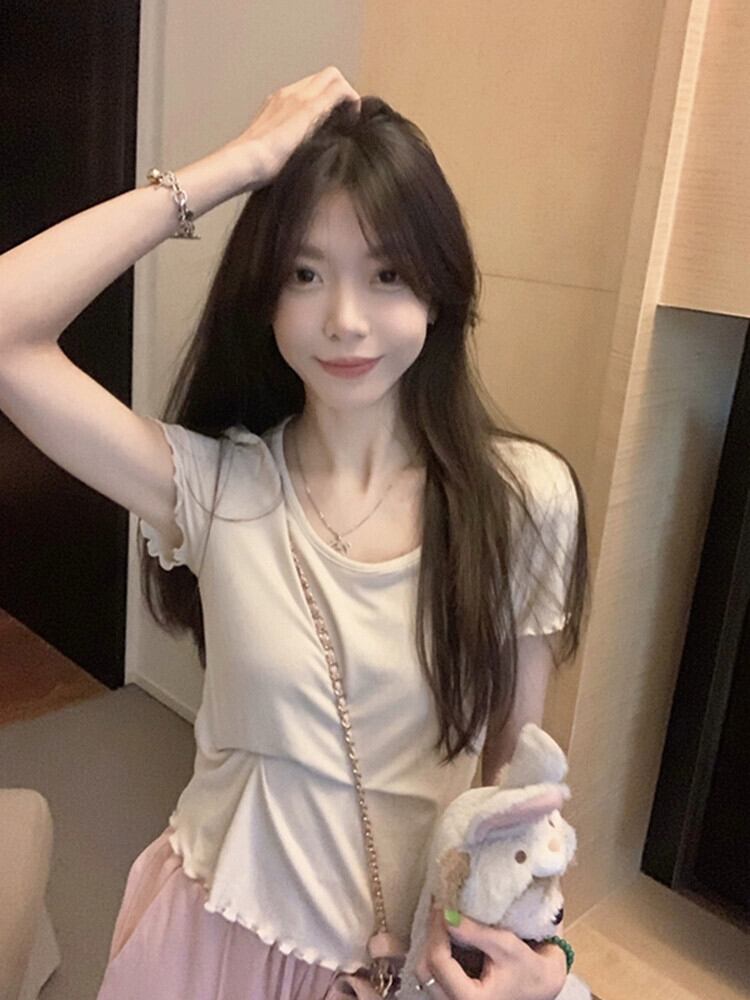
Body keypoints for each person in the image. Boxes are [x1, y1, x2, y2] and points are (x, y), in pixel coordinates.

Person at [0, 66, 588, 1000]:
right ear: (266, 297)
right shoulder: (215, 486)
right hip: (209, 944)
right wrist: (236, 164)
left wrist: (540, 964)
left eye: (387, 274)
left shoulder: (524, 500)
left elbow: (516, 792)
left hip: (406, 966)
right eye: (305, 274)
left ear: (438, 291)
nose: (345, 320)